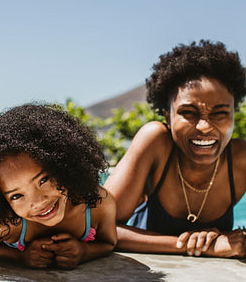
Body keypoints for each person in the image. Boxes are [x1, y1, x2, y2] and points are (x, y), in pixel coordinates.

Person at [104, 40, 246, 258]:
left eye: (219, 113)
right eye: (189, 113)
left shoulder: (240, 158)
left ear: (233, 116)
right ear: (167, 117)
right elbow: (99, 229)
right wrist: (201, 246)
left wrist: (238, 240)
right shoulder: (156, 142)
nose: (204, 127)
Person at [0, 104, 117, 269]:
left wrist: (84, 251)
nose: (37, 201)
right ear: (0, 200)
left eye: (43, 180)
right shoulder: (11, 223)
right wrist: (20, 256)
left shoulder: (98, 203)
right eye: (16, 196)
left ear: (63, 165)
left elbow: (109, 243)